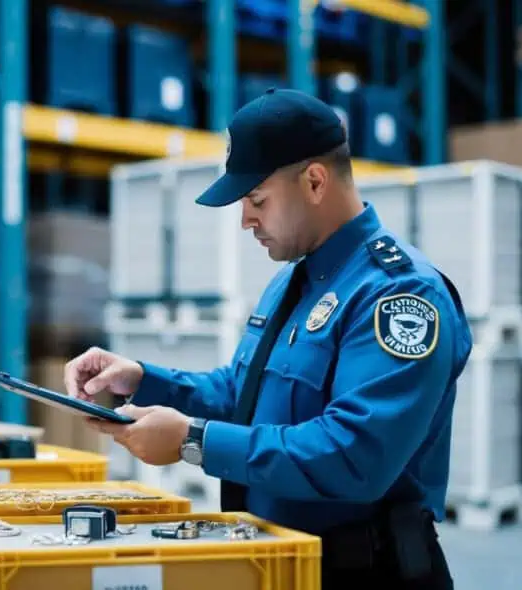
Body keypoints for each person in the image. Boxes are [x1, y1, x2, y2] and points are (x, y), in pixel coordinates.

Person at [63, 88, 472, 589]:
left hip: (368, 572)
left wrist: (193, 442)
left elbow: (354, 455)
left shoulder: (399, 295)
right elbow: (243, 394)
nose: (245, 220)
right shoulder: (293, 282)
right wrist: (143, 382)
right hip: (286, 565)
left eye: (257, 200)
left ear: (315, 181)